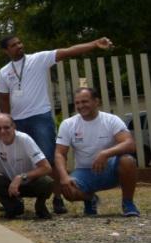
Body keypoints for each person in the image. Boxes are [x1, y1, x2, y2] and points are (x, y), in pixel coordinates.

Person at [0, 35, 113, 215]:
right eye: (13, 45)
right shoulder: (4, 72)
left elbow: (67, 51)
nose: (19, 46)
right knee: (19, 160)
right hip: (17, 120)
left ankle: (58, 198)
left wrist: (94, 44)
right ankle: (17, 195)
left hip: (40, 116)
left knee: (49, 158)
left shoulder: (38, 59)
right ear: (6, 51)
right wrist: (6, 121)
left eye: (20, 42)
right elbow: (4, 99)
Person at [55, 87, 140, 217]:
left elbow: (130, 144)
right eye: (77, 103)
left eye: (85, 101)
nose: (81, 106)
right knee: (68, 190)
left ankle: (128, 203)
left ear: (96, 101)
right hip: (84, 172)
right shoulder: (68, 124)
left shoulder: (111, 120)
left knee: (128, 160)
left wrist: (105, 154)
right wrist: (64, 176)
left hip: (110, 170)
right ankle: (90, 199)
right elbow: (60, 153)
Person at [0, 114, 54, 219]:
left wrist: (21, 177)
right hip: (9, 184)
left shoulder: (25, 139)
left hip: (30, 182)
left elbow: (46, 168)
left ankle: (40, 205)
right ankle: (13, 205)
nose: (2, 131)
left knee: (48, 182)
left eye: (6, 127)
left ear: (14, 127)